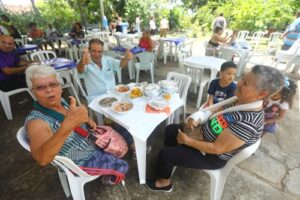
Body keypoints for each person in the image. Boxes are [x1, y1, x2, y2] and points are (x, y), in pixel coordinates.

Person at [146, 65, 284, 192]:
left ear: (261, 94)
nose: (239, 83)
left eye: (245, 83)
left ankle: (165, 183)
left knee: (165, 155)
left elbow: (217, 148)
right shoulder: (240, 100)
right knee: (170, 129)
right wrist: (198, 118)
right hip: (203, 136)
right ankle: (173, 158)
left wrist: (188, 141)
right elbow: (216, 110)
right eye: (242, 78)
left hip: (211, 156)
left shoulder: (248, 122)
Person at [24, 65, 128, 184]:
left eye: (53, 84)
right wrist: (69, 125)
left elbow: (74, 117)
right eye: (40, 87)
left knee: (122, 128)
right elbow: (42, 159)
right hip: (79, 160)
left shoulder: (61, 102)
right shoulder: (37, 122)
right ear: (32, 92)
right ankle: (108, 180)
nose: (49, 90)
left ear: (60, 87)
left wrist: (88, 120)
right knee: (123, 167)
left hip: (90, 141)